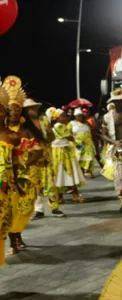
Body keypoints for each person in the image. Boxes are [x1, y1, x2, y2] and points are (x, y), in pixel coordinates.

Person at [4, 76, 45, 255]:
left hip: (27, 174)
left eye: (17, 109)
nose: (13, 112)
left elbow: (37, 151)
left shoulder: (27, 131)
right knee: (10, 207)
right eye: (10, 109)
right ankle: (13, 239)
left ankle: (18, 233)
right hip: (7, 176)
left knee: (26, 207)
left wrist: (24, 166)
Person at [0, 81, 22, 265]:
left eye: (0, 110)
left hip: (4, 190)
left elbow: (15, 163)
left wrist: (16, 182)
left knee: (3, 224)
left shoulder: (12, 136)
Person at [31, 105, 66, 219]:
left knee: (50, 183)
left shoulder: (44, 120)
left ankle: (54, 208)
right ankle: (38, 210)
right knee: (35, 185)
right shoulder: (23, 122)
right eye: (30, 108)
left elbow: (52, 136)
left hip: (45, 157)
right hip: (31, 159)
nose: (33, 110)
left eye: (34, 107)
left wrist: (45, 140)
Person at [50, 109, 86, 204]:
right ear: (57, 118)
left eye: (65, 115)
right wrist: (76, 142)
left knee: (61, 174)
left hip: (61, 151)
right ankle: (75, 195)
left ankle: (60, 197)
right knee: (68, 172)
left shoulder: (59, 126)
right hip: (62, 152)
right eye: (62, 116)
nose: (65, 117)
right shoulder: (59, 126)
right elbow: (69, 137)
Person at [68, 108, 96, 177]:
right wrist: (75, 140)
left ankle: (89, 171)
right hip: (78, 143)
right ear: (75, 116)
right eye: (77, 116)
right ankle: (81, 172)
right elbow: (68, 133)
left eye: (80, 115)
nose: (79, 117)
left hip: (88, 143)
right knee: (79, 158)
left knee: (89, 157)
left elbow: (90, 132)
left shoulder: (86, 123)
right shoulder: (71, 123)